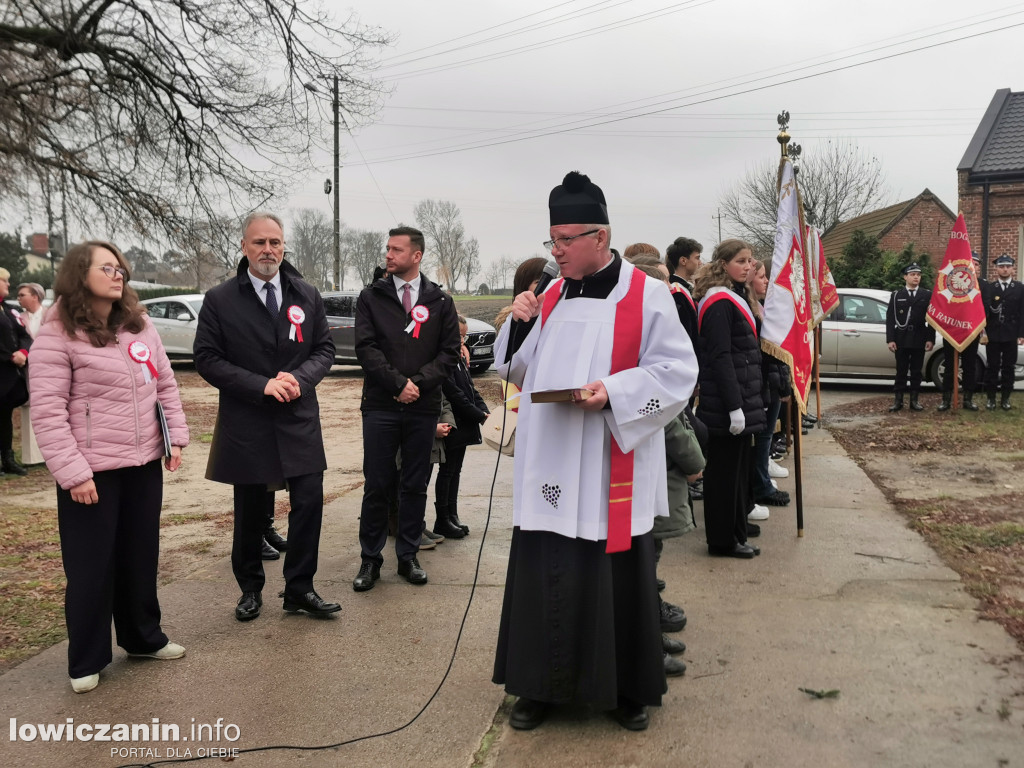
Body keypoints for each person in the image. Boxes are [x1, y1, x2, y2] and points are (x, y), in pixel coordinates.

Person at [493, 171, 697, 732]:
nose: (554, 253)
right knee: (547, 569)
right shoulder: (552, 294)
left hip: (611, 457)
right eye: (550, 241)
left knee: (617, 574)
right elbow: (516, 369)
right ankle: (539, 687)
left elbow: (678, 372)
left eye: (564, 241)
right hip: (552, 460)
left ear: (599, 238)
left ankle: (627, 689)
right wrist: (517, 322)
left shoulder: (646, 295)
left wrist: (614, 392)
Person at [29, 241, 189, 693]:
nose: (118, 275)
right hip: (90, 471)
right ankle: (87, 657)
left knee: (140, 556)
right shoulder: (57, 332)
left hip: (142, 465)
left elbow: (165, 384)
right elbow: (47, 409)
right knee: (91, 566)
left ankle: (143, 638)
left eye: (120, 268)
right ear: (80, 274)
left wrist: (174, 437)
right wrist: (73, 472)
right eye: (106, 268)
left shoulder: (139, 325)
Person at [194, 212, 339, 622]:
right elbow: (206, 358)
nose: (268, 250)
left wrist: (298, 378)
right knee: (252, 508)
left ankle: (299, 588)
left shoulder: (306, 294)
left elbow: (324, 350)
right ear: (244, 247)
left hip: (298, 416)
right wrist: (260, 385)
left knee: (309, 501)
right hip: (249, 419)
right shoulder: (221, 299)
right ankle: (250, 589)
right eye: (259, 243)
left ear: (283, 246)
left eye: (275, 242)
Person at [352, 226, 461, 591]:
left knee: (415, 484)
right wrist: (398, 384)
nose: (388, 255)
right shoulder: (371, 297)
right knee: (378, 484)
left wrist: (418, 385)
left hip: (423, 407)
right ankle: (370, 560)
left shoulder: (440, 302)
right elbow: (366, 348)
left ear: (416, 256)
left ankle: (409, 555)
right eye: (387, 249)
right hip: (381, 405)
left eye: (396, 250)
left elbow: (448, 354)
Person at [693, 239, 767, 558]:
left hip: (739, 397)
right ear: (724, 264)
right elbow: (721, 356)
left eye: (750, 261)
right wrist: (735, 406)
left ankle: (736, 534)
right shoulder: (719, 302)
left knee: (737, 475)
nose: (748, 266)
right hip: (725, 403)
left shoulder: (735, 296)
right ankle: (722, 541)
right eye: (741, 261)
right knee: (722, 476)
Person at [436, 314, 490, 538]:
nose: (462, 341)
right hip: (453, 422)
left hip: (465, 421)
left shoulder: (459, 357)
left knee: (456, 470)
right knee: (447, 470)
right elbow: (455, 394)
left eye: (464, 337)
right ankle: (443, 518)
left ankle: (452, 514)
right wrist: (478, 415)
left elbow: (470, 389)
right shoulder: (444, 360)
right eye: (459, 336)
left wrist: (484, 410)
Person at [885, 264, 935, 412]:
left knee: (916, 371)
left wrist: (930, 339)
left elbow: (931, 319)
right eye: (912, 274)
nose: (916, 277)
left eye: (918, 275)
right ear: (905, 277)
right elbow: (890, 319)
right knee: (901, 370)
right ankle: (898, 401)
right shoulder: (896, 295)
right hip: (901, 337)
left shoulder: (926, 295)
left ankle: (914, 400)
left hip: (919, 337)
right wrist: (890, 339)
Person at [981, 254, 1024, 411]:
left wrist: (1021, 334)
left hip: (1011, 334)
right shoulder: (990, 288)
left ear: (1012, 268)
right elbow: (984, 311)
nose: (1005, 269)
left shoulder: (1019, 288)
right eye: (1002, 266)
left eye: (1008, 266)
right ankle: (991, 398)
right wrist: (983, 331)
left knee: (1008, 367)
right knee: (992, 366)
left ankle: (1005, 398)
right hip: (993, 333)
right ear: (996, 268)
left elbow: (1022, 312)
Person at [0, 268, 31, 476]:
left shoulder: (10, 310)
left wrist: (22, 352)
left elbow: (24, 335)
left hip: (10, 377)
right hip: (3, 367)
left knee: (4, 418)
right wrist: (9, 356)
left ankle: (8, 458)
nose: (8, 285)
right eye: (4, 281)